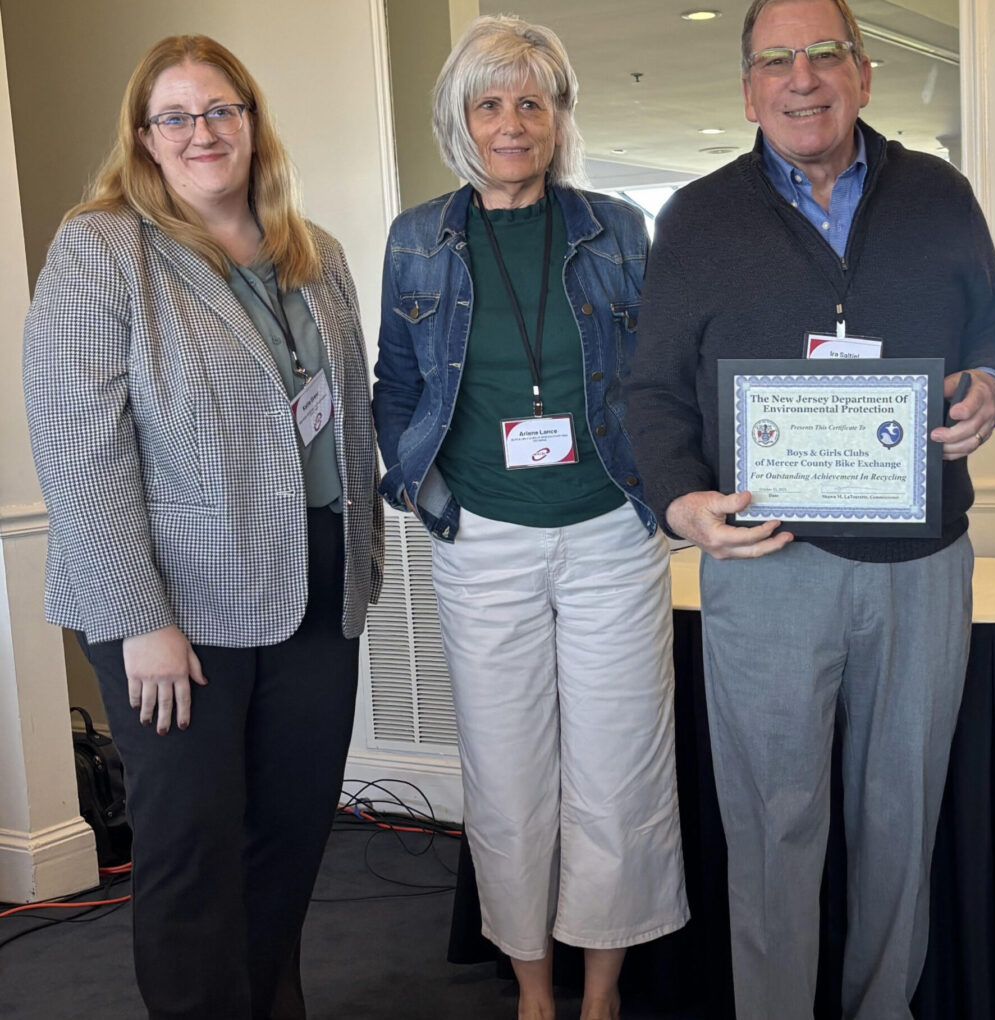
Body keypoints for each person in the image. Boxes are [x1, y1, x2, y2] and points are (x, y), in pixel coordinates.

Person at [623, 0, 995, 1015]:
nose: (799, 78)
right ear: (747, 88)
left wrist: (992, 383)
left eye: (821, 54)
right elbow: (648, 390)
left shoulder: (936, 193)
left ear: (862, 73)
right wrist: (681, 505)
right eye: (775, 59)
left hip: (918, 567)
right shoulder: (696, 215)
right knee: (770, 824)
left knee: (901, 819)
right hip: (765, 567)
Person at [22, 34, 382, 1020]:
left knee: (290, 833)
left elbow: (347, 412)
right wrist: (141, 615)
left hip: (316, 583)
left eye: (221, 109)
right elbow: (80, 447)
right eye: (174, 116)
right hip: (172, 602)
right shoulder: (104, 249)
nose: (202, 132)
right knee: (190, 848)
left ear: (254, 122)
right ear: (143, 138)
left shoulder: (316, 254)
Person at [370, 15, 687, 1020]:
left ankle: (601, 992)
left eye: (531, 102)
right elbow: (395, 384)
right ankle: (533, 990)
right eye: (490, 102)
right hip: (485, 539)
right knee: (508, 780)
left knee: (618, 773)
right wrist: (424, 492)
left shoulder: (616, 229)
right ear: (460, 119)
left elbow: (655, 377)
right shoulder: (418, 237)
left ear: (557, 117)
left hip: (607, 532)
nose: (512, 123)